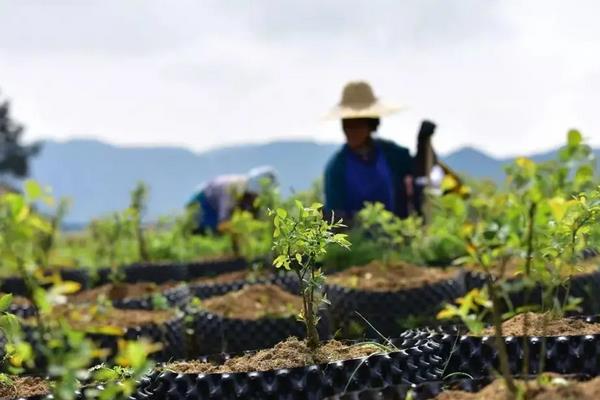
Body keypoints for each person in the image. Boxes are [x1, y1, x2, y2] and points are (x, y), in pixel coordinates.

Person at [324, 81, 415, 221]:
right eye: (346, 124)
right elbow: (334, 218)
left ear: (370, 124)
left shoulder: (392, 154)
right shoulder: (337, 167)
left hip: (396, 237)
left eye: (356, 124)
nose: (350, 130)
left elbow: (420, 173)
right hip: (354, 240)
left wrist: (424, 142)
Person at [187, 166, 277, 234]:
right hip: (203, 200)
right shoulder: (231, 190)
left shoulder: (247, 192)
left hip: (214, 203)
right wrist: (242, 232)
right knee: (206, 230)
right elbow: (223, 224)